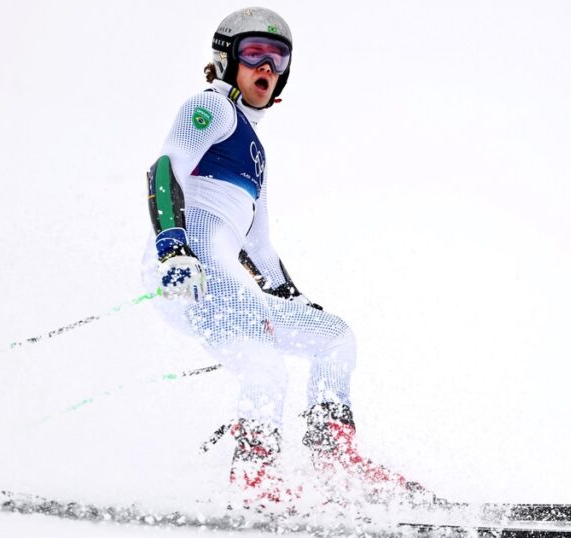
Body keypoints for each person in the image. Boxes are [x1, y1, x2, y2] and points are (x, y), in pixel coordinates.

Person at [142, 7, 423, 507]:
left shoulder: (255, 151)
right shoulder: (211, 108)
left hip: (225, 269)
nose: (266, 67)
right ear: (226, 60)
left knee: (334, 338)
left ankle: (334, 458)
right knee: (266, 368)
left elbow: (260, 249)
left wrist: (297, 298)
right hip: (190, 267)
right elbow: (165, 167)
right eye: (253, 54)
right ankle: (253, 482)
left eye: (277, 57)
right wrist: (172, 247)